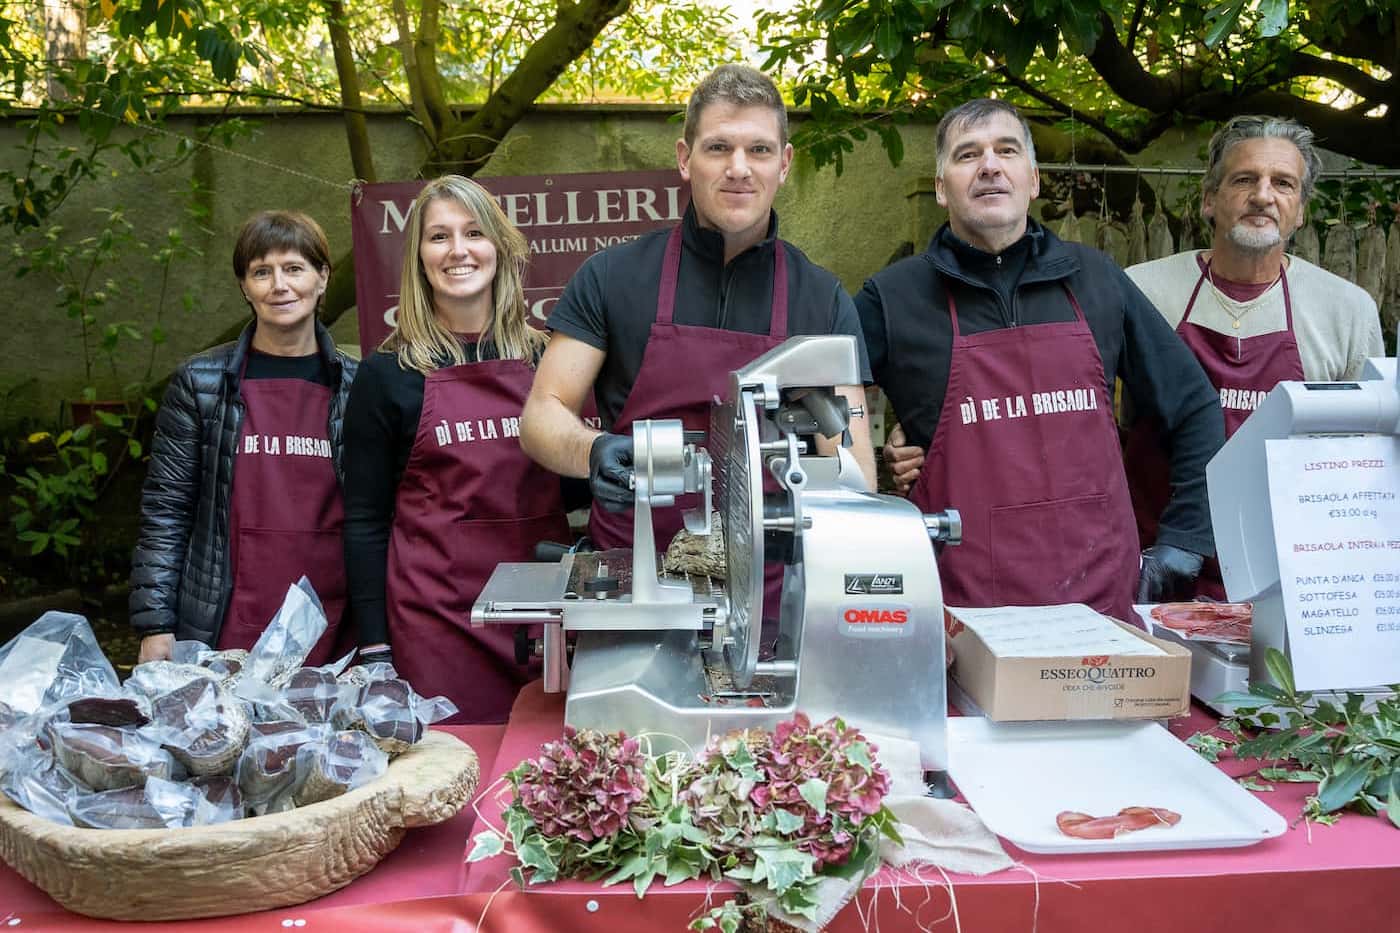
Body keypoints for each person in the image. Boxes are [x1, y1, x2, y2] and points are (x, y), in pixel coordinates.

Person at [856, 99, 1225, 623]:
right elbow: (821, 410)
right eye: (967, 155)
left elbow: (1195, 407)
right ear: (941, 188)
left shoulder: (1096, 280)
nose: (989, 166)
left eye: (1006, 151)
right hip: (958, 619)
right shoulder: (892, 298)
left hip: (1102, 609)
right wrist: (878, 469)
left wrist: (1184, 541)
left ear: (1032, 180)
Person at [520, 64, 877, 585]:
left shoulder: (821, 300)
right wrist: (591, 450)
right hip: (632, 584)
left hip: (772, 593)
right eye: (718, 148)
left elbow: (853, 468)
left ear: (784, 163)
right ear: (685, 159)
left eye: (758, 150)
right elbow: (541, 416)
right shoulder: (612, 277)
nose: (739, 168)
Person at [342, 175, 573, 724]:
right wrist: (374, 646)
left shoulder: (550, 361)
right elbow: (364, 521)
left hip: (542, 616)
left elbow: (577, 485)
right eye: (439, 236)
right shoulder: (387, 374)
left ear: (499, 246)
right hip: (438, 622)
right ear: (419, 258)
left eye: (473, 233)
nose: (458, 250)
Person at [1124, 116, 1385, 596]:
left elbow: (1366, 464)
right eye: (1244, 179)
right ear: (1209, 199)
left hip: (1290, 582)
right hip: (1152, 572)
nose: (1263, 196)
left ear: (1300, 211)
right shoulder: (1141, 290)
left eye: (1283, 183)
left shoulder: (1346, 310)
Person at [130, 211, 357, 664]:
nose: (279, 285)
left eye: (294, 268)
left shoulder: (360, 386)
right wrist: (155, 625)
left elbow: (380, 519)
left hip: (336, 623)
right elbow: (166, 511)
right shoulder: (200, 383)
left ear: (323, 278)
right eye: (261, 272)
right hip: (224, 623)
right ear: (244, 287)